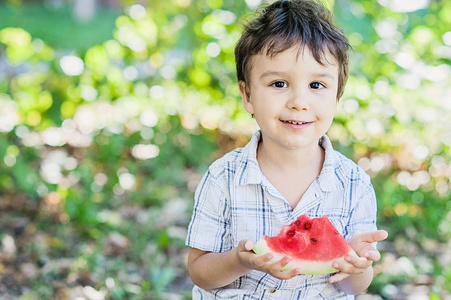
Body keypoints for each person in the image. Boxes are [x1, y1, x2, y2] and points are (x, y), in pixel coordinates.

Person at [185, 0, 388, 298]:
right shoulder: (222, 178)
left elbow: (352, 286)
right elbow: (200, 272)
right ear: (248, 94)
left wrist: (358, 266)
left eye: (317, 86)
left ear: (337, 97)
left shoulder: (354, 183)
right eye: (279, 83)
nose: (299, 101)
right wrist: (239, 260)